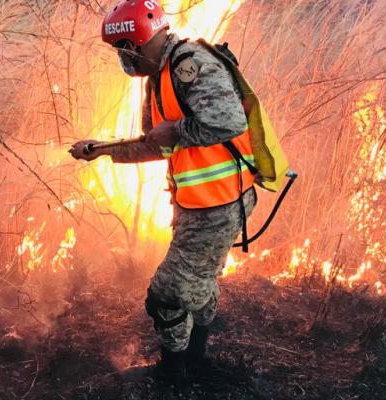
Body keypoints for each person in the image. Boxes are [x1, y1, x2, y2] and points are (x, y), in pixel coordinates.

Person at [69, 0, 257, 382]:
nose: (123, 60)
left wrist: (179, 131)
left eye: (122, 50)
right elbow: (157, 144)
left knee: (166, 296)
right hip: (200, 205)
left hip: (218, 205)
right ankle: (197, 363)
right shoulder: (160, 78)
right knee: (199, 284)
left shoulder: (190, 65)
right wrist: (102, 151)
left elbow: (230, 122)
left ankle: (174, 373)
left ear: (135, 43)